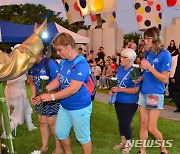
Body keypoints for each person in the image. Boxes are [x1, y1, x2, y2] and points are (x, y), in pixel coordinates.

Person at [40, 32, 92, 154]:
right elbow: (58, 80)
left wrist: (51, 97)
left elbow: (73, 88)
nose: (58, 53)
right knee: (61, 133)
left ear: (69, 46)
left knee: (83, 138)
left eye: (59, 50)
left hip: (80, 107)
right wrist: (42, 92)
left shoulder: (81, 63)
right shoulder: (63, 62)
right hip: (65, 106)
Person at [136, 27, 171, 154]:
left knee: (151, 127)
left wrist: (149, 67)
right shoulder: (147, 53)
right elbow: (147, 74)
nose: (145, 41)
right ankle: (142, 151)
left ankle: (163, 149)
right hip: (144, 92)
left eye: (147, 38)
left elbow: (164, 79)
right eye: (144, 38)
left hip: (154, 94)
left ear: (155, 38)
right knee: (142, 124)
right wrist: (140, 78)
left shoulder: (165, 55)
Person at [27, 55, 62, 154]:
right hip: (39, 99)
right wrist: (34, 94)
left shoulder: (49, 63)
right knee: (42, 123)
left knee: (53, 124)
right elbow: (31, 81)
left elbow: (58, 81)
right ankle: (44, 146)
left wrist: (47, 95)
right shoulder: (30, 65)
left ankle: (59, 148)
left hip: (52, 98)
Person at [109, 48, 140, 154]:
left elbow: (136, 89)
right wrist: (113, 90)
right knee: (121, 122)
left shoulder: (135, 71)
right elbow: (117, 83)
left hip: (130, 102)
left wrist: (120, 89)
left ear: (130, 59)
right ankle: (123, 142)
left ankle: (128, 145)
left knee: (126, 123)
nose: (121, 59)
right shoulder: (120, 69)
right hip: (119, 100)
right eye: (121, 56)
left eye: (124, 57)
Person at [171, 45, 180, 112]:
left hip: (177, 78)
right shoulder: (177, 57)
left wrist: (174, 77)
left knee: (172, 91)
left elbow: (178, 68)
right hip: (177, 77)